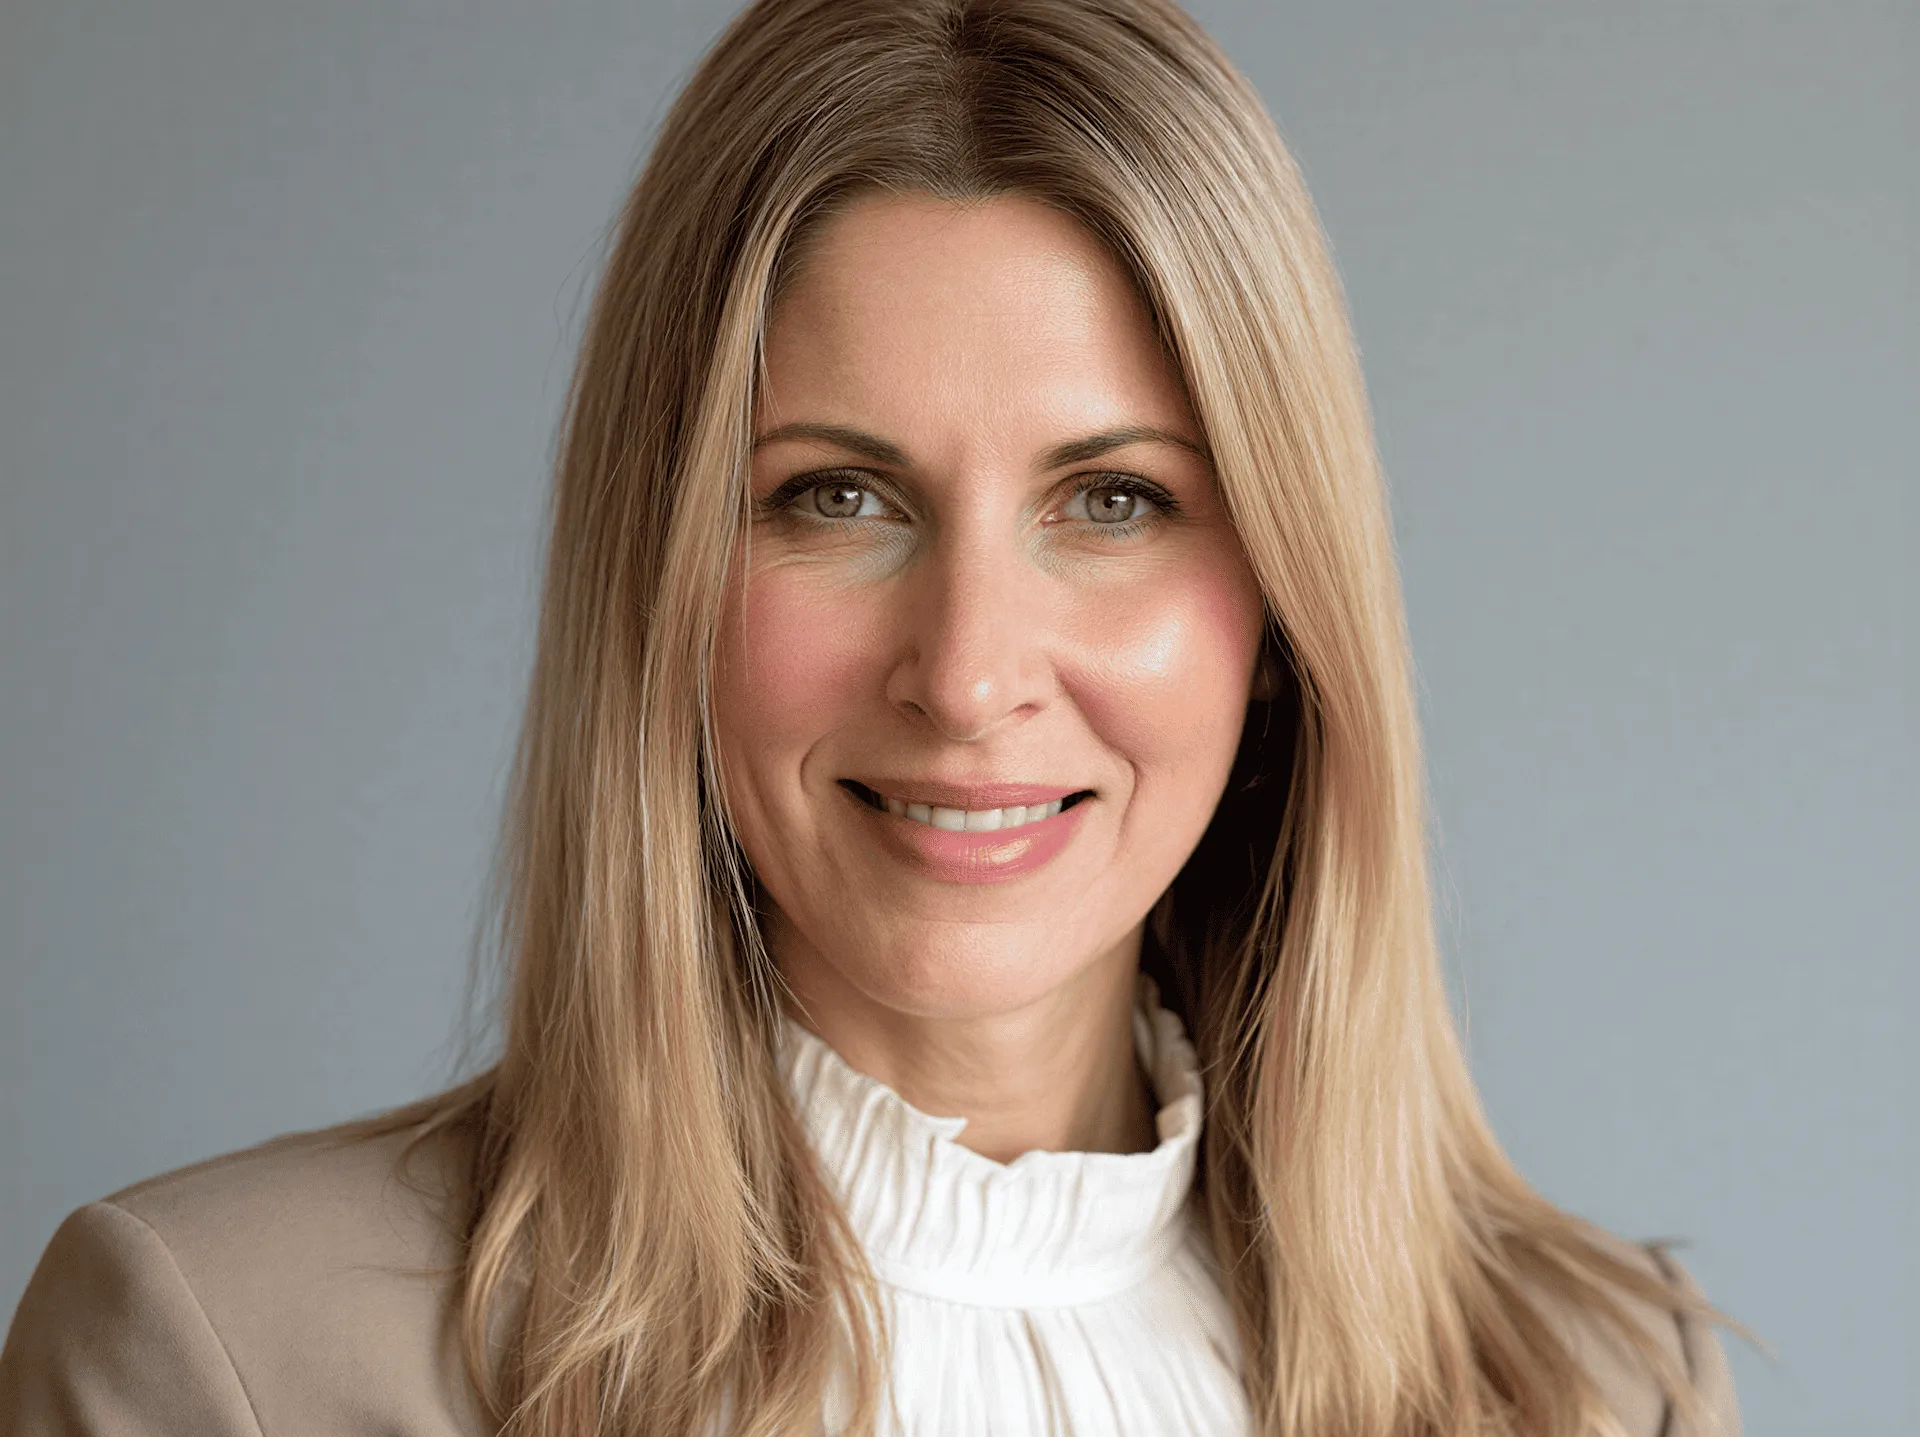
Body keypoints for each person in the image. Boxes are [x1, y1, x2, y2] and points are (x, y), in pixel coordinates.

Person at [0, 0, 1747, 1433]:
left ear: (1284, 608)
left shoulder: (1598, 1385)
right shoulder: (226, 1358)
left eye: (1115, 502)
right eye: (838, 498)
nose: (972, 671)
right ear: (665, 580)